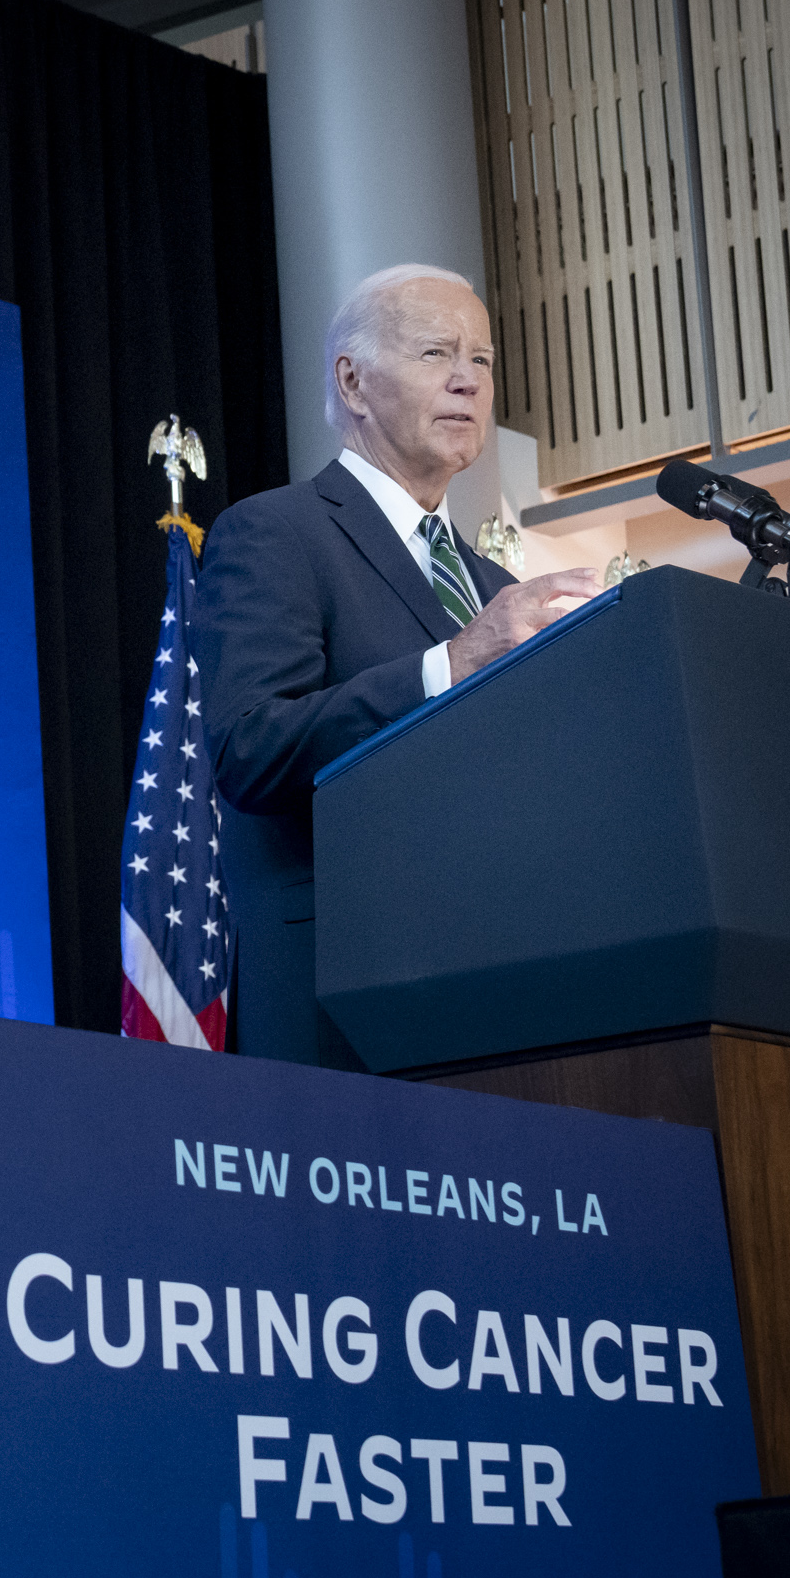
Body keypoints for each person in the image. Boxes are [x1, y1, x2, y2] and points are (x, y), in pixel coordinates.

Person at [191, 265, 599, 1067]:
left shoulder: (494, 586)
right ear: (353, 382)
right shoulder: (276, 533)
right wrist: (453, 663)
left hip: (502, 986)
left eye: (481, 360)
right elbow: (251, 747)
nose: (467, 380)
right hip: (341, 997)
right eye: (435, 353)